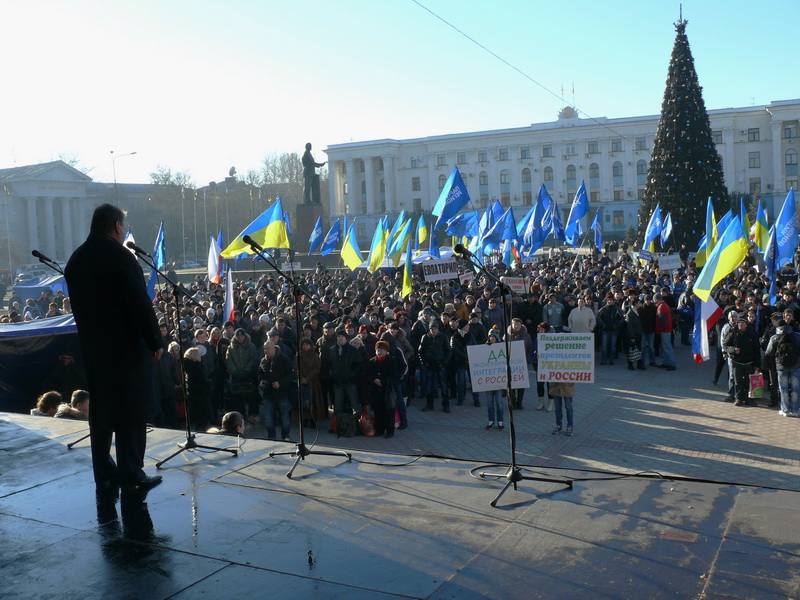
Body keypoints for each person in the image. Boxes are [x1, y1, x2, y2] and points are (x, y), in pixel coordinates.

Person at [64, 203, 163, 493]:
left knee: (102, 412)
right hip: (126, 350)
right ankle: (131, 472)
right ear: (117, 226)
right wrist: (154, 341)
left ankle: (105, 473)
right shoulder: (121, 257)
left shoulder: (76, 259)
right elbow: (139, 304)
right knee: (131, 410)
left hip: (94, 349)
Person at [258, 340, 295, 441]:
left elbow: (291, 374)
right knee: (268, 418)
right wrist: (262, 381)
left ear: (274, 348)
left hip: (282, 394)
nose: (266, 351)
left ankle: (285, 436)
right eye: (264, 349)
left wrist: (280, 383)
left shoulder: (284, 359)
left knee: (284, 417)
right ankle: (271, 437)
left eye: (268, 348)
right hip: (268, 394)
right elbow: (260, 373)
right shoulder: (263, 360)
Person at [365, 340, 401, 438]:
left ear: (386, 351)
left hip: (387, 390)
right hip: (376, 390)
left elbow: (394, 375)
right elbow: (368, 374)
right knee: (378, 411)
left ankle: (389, 431)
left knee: (389, 411)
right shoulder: (372, 361)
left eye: (381, 350)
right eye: (377, 350)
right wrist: (374, 379)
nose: (379, 352)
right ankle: (379, 429)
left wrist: (383, 381)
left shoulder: (391, 360)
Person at [764, 320, 800, 417]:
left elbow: (769, 352)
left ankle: (785, 410)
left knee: (783, 388)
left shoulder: (774, 337)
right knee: (796, 388)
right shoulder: (797, 336)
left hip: (781, 366)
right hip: (796, 366)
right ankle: (795, 410)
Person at [484, 328, 505, 430]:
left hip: (499, 380)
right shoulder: (484, 348)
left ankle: (500, 421)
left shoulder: (502, 348)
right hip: (488, 380)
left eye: (494, 337)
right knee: (489, 403)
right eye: (490, 337)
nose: (492, 339)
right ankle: (491, 421)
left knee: (499, 402)